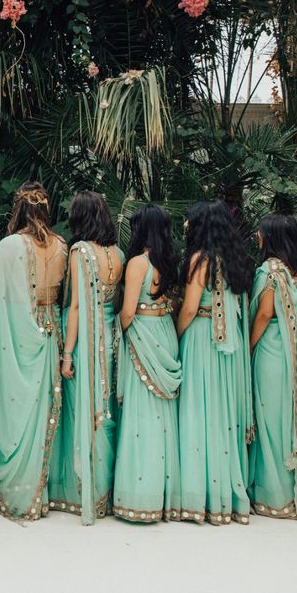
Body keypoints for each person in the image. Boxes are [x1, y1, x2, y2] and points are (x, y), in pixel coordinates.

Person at [0, 182, 67, 522]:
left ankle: (20, 492)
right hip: (53, 329)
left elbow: (4, 302)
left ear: (17, 209)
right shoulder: (63, 246)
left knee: (19, 408)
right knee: (48, 406)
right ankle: (43, 491)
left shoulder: (9, 246)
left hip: (20, 334)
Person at [177, 200, 253, 525]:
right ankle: (227, 497)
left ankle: (200, 496)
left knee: (199, 411)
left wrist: (176, 334)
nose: (186, 226)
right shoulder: (236, 259)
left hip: (202, 339)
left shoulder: (200, 260)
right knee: (223, 413)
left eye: (190, 221)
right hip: (230, 345)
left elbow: (191, 308)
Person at [48, 191, 123, 523]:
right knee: (103, 409)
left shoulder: (81, 252)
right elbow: (115, 301)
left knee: (83, 409)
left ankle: (83, 490)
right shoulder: (118, 254)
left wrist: (66, 354)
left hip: (86, 339)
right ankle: (104, 489)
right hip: (108, 334)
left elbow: (76, 305)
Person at [112, 204, 182, 523]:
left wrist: (120, 334)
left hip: (142, 330)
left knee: (142, 413)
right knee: (164, 414)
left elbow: (127, 311)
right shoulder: (169, 261)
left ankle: (140, 496)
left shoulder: (138, 263)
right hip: (165, 332)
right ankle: (165, 495)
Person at [248, 214, 297, 521]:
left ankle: (272, 496)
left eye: (261, 231)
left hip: (274, 348)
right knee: (295, 414)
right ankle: (295, 494)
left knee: (271, 418)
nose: (256, 234)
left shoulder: (269, 270)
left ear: (272, 237)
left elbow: (264, 314)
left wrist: (250, 346)